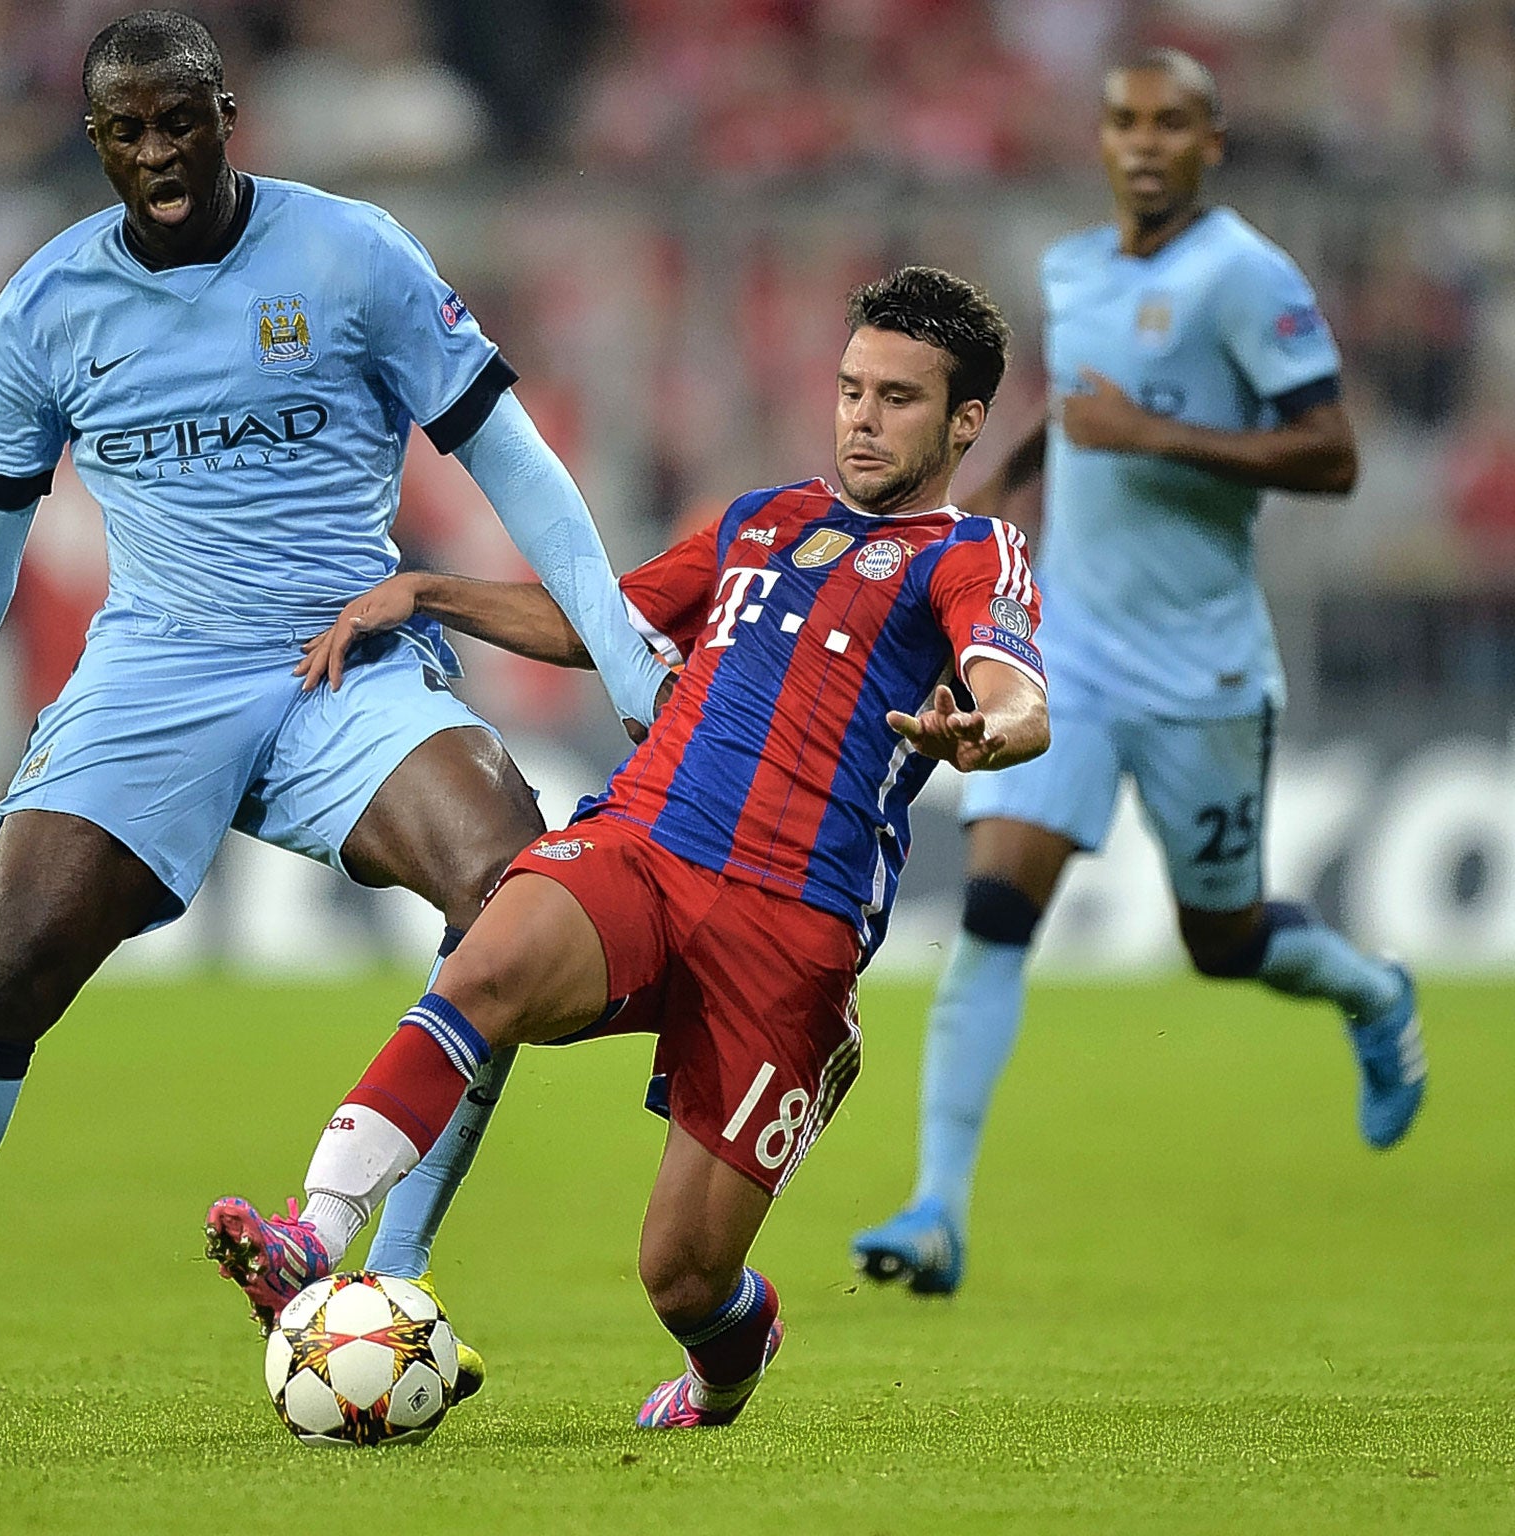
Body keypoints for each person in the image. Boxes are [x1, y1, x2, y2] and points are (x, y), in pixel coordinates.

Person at [0, 10, 670, 1435]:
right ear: (97, 143)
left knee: (511, 888)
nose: (159, 152)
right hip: (154, 677)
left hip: (342, 665)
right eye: (127, 130)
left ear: (228, 114)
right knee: (8, 959)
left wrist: (621, 657)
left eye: (181, 120)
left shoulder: (352, 256)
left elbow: (520, 461)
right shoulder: (46, 309)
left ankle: (397, 1289)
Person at [206, 266, 1050, 1428]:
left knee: (681, 1276)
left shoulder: (968, 550)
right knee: (488, 961)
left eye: (896, 397)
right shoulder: (764, 519)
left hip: (789, 931)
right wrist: (428, 592)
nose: (860, 415)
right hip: (647, 845)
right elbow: (599, 619)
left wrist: (983, 732)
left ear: (964, 420)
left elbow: (1016, 696)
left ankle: (726, 1368)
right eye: (850, 387)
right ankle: (316, 1233)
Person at [851, 50, 1424, 1299]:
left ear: (1209, 143)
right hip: (1076, 656)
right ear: (1101, 137)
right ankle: (935, 1209)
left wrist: (1151, 436)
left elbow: (1330, 455)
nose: (1144, 143)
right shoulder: (1072, 268)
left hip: (1204, 671)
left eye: (1172, 124)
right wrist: (992, 503)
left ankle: (1374, 993)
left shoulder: (1247, 278)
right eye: (1124, 122)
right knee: (995, 914)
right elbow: (1076, 414)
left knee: (1219, 941)